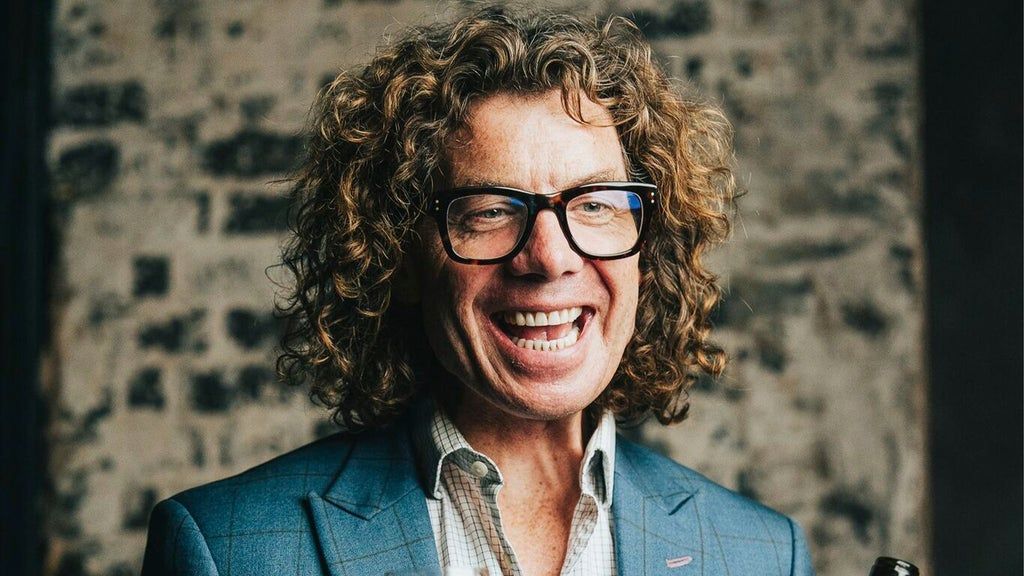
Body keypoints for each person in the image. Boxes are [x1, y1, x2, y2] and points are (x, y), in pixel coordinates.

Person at [142, 6, 814, 576]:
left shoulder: (763, 554)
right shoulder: (224, 548)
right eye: (490, 211)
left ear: (647, 248)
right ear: (399, 254)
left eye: (595, 204)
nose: (550, 258)